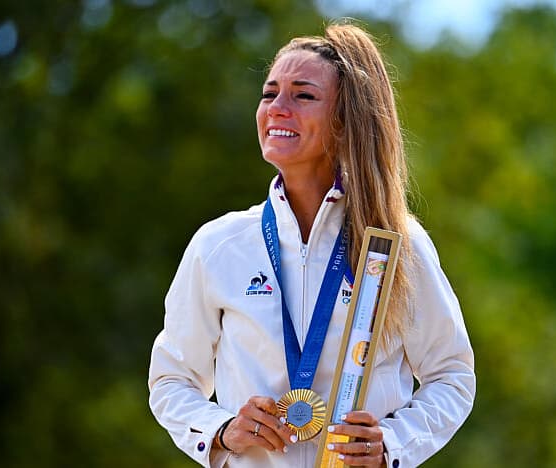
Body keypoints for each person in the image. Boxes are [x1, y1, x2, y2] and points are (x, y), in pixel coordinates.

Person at [148, 22, 475, 468]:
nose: (277, 108)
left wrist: (392, 445)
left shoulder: (395, 245)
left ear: (344, 121)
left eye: (302, 96)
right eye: (269, 93)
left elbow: (452, 375)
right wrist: (220, 432)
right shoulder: (219, 244)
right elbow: (171, 380)